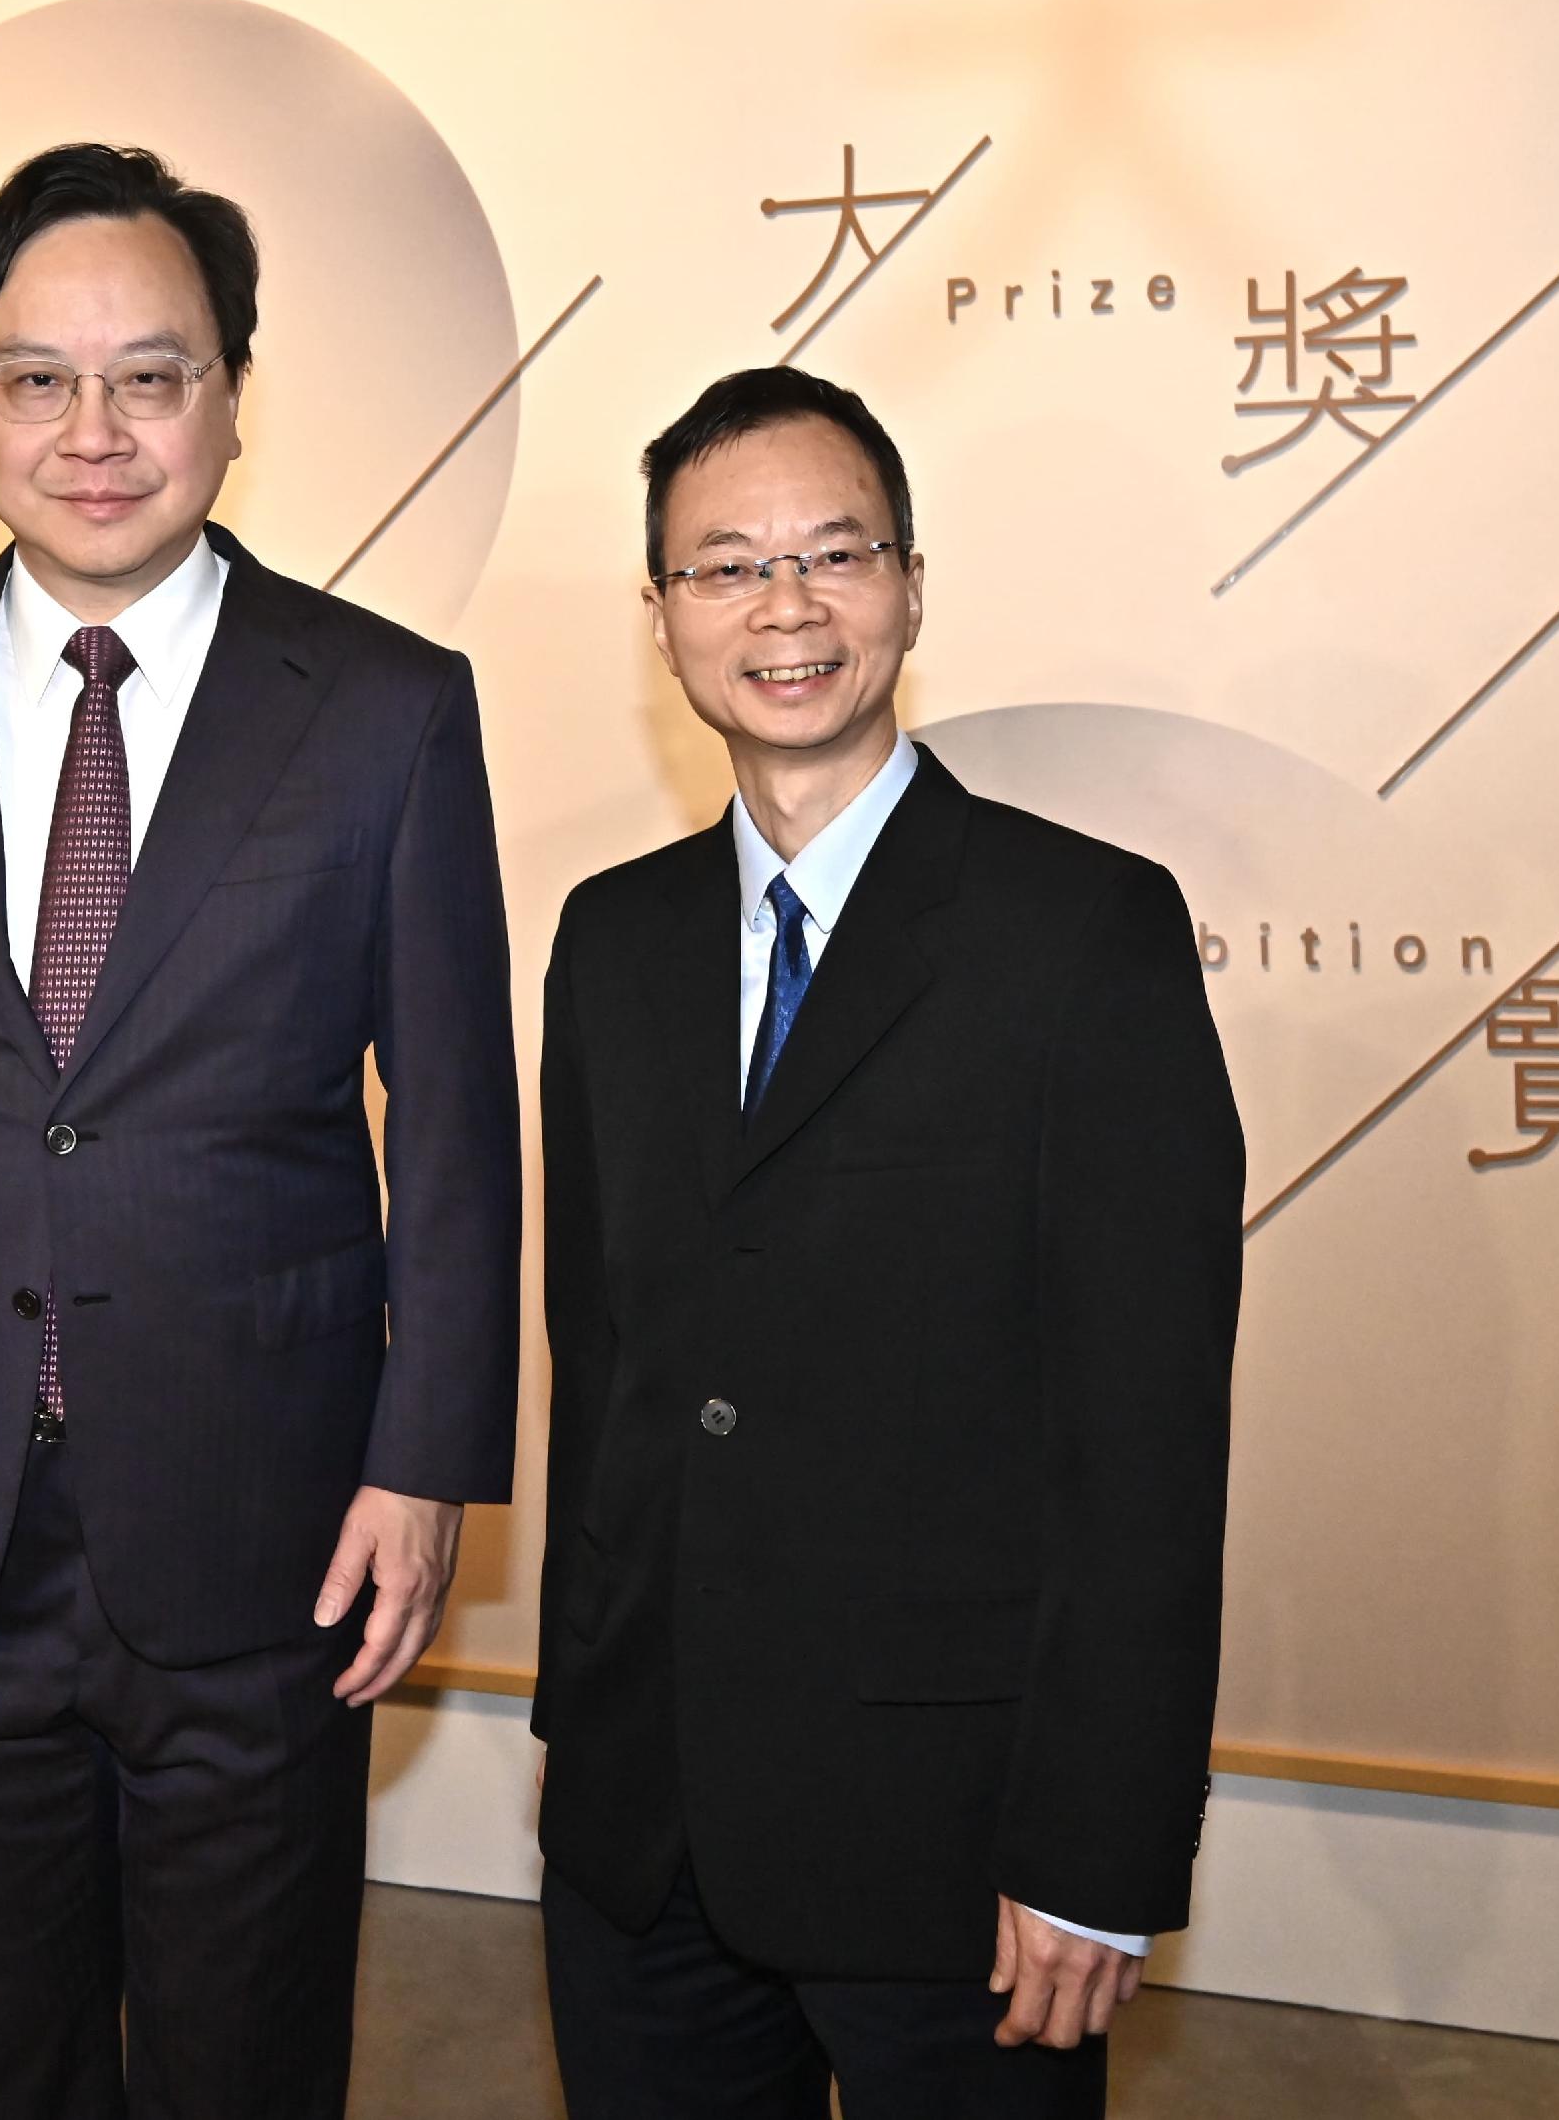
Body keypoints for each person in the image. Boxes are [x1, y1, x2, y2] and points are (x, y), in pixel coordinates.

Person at [0, 141, 522, 2118]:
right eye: (35, 378)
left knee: (242, 2070)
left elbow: (456, 1125)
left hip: (264, 1523)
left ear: (233, 402)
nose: (94, 431)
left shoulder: (384, 705)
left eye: (151, 375)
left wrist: (425, 1460)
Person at [530, 366, 1245, 2117]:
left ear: (910, 585)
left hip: (961, 1848)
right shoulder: (610, 944)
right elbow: (605, 1370)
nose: (784, 609)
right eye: (724, 567)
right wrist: (583, 1738)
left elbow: (1145, 1440)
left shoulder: (1084, 933)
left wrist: (1098, 1842)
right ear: (662, 617)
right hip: (649, 1835)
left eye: (833, 554)